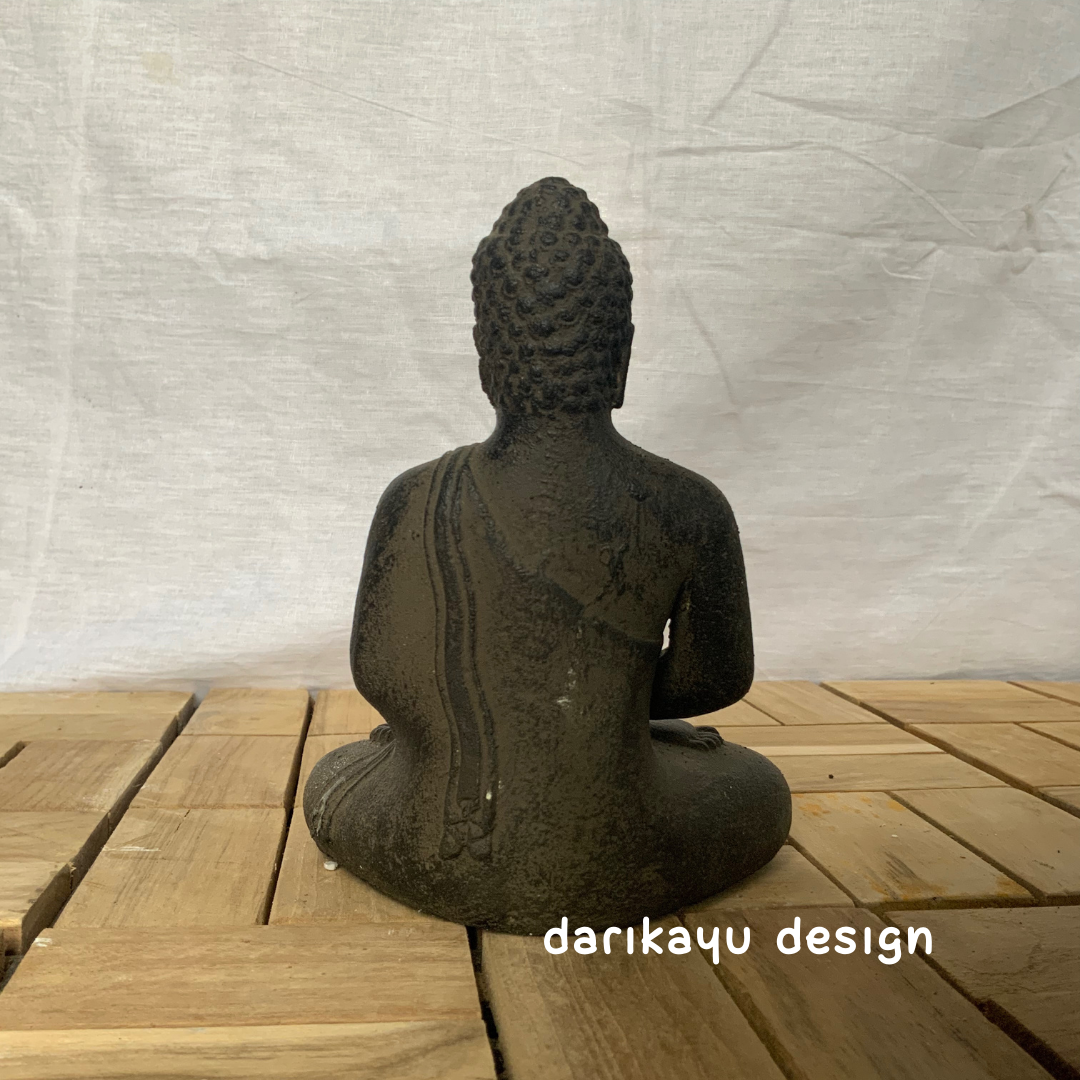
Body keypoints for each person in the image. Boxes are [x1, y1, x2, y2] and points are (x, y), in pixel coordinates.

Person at [304, 177, 790, 934]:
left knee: (333, 775)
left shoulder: (416, 495)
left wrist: (514, 706)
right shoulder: (689, 504)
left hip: (440, 843)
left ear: (487, 358)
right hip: (630, 851)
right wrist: (604, 707)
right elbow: (715, 680)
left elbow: (383, 675)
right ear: (621, 353)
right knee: (758, 783)